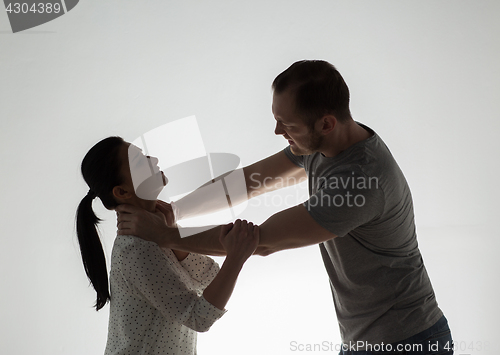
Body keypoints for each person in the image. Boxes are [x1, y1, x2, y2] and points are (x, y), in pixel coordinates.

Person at [116, 60, 453, 354]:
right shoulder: (322, 147)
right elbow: (247, 182)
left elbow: (260, 242)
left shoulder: (359, 180)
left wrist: (165, 235)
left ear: (326, 123)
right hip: (369, 341)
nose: (277, 131)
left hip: (407, 341)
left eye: (287, 125)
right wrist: (177, 211)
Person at [75, 136, 259, 355]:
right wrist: (236, 257)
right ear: (122, 192)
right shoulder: (136, 250)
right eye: (140, 162)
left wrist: (170, 235)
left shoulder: (157, 234)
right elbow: (199, 317)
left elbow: (208, 279)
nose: (154, 159)